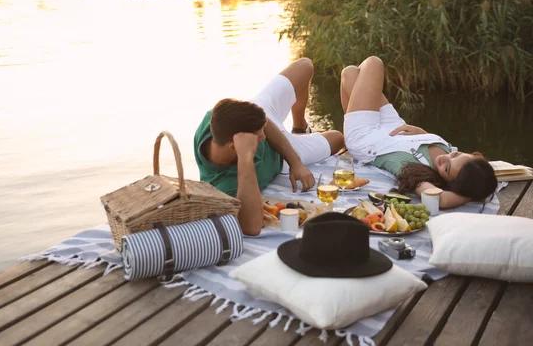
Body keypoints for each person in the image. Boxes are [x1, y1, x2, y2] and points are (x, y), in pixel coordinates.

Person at [194, 58, 345, 236]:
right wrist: (246, 158)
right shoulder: (226, 186)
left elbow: (264, 122)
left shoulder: (217, 118)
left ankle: (299, 126)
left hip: (262, 115)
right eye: (258, 138)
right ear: (234, 146)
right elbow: (251, 227)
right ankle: (298, 138)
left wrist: (296, 163)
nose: (264, 138)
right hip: (281, 161)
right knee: (338, 138)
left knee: (305, 66)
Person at [340, 56, 498, 209]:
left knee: (373, 63)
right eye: (455, 155)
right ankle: (353, 120)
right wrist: (423, 133)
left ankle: (352, 128)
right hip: (393, 126)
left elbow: (440, 200)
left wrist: (469, 194)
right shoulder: (457, 160)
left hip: (367, 139)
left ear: (451, 184)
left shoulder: (419, 176)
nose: (445, 158)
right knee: (350, 73)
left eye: (447, 169)